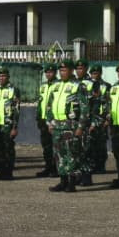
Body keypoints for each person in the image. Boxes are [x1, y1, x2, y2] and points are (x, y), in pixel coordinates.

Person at [47, 59, 87, 193]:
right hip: (57, 125)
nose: (62, 73)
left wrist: (81, 127)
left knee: (72, 154)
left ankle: (71, 182)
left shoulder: (78, 86)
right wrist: (50, 122)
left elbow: (84, 108)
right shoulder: (56, 85)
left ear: (71, 71)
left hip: (71, 125)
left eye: (65, 70)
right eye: (61, 70)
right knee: (59, 154)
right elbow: (49, 105)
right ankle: (62, 181)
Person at [0, 67, 20, 180]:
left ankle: (8, 172)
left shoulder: (13, 90)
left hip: (7, 124)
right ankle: (2, 171)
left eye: (4, 76)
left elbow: (16, 110)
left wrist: (14, 127)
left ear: (8, 77)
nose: (1, 78)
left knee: (8, 149)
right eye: (0, 76)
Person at [35, 62, 57, 177]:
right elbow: (40, 102)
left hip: (54, 121)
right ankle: (48, 167)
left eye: (51, 72)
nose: (48, 74)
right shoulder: (43, 85)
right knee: (46, 146)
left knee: (55, 146)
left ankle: (56, 168)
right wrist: (38, 117)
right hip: (43, 119)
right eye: (47, 72)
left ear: (55, 72)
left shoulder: (58, 85)